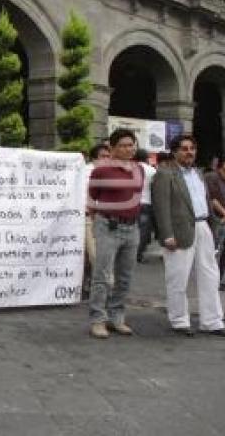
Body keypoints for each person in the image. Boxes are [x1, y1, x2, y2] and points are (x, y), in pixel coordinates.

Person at [152, 135, 225, 337]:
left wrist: (213, 227)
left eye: (192, 148)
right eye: (184, 149)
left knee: (210, 275)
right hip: (179, 231)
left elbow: (206, 201)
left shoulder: (198, 173)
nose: (189, 152)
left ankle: (212, 321)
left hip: (203, 226)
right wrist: (167, 234)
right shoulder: (164, 173)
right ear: (174, 151)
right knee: (178, 277)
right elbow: (161, 207)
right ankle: (179, 321)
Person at [86, 129, 143, 339]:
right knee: (102, 276)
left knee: (125, 277)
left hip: (132, 228)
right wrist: (95, 223)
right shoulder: (100, 170)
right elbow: (92, 198)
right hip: (108, 226)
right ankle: (97, 320)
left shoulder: (139, 169)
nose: (130, 149)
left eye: (132, 144)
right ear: (112, 147)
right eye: (124, 145)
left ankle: (116, 317)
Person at [82, 143, 111, 298]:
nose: (106, 159)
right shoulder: (85, 172)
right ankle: (103, 288)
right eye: (103, 156)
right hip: (89, 217)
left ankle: (91, 285)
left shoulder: (109, 173)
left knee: (93, 255)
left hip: (105, 218)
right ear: (94, 158)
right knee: (94, 255)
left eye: (108, 156)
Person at [204, 158, 225, 284]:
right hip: (216, 219)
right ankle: (212, 281)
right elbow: (212, 199)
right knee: (216, 251)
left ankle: (218, 280)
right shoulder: (212, 177)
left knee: (223, 253)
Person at [134, 149, 157, 263]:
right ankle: (139, 254)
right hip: (146, 203)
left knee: (132, 229)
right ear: (146, 158)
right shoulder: (152, 170)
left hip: (132, 203)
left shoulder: (131, 168)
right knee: (143, 231)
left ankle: (129, 253)